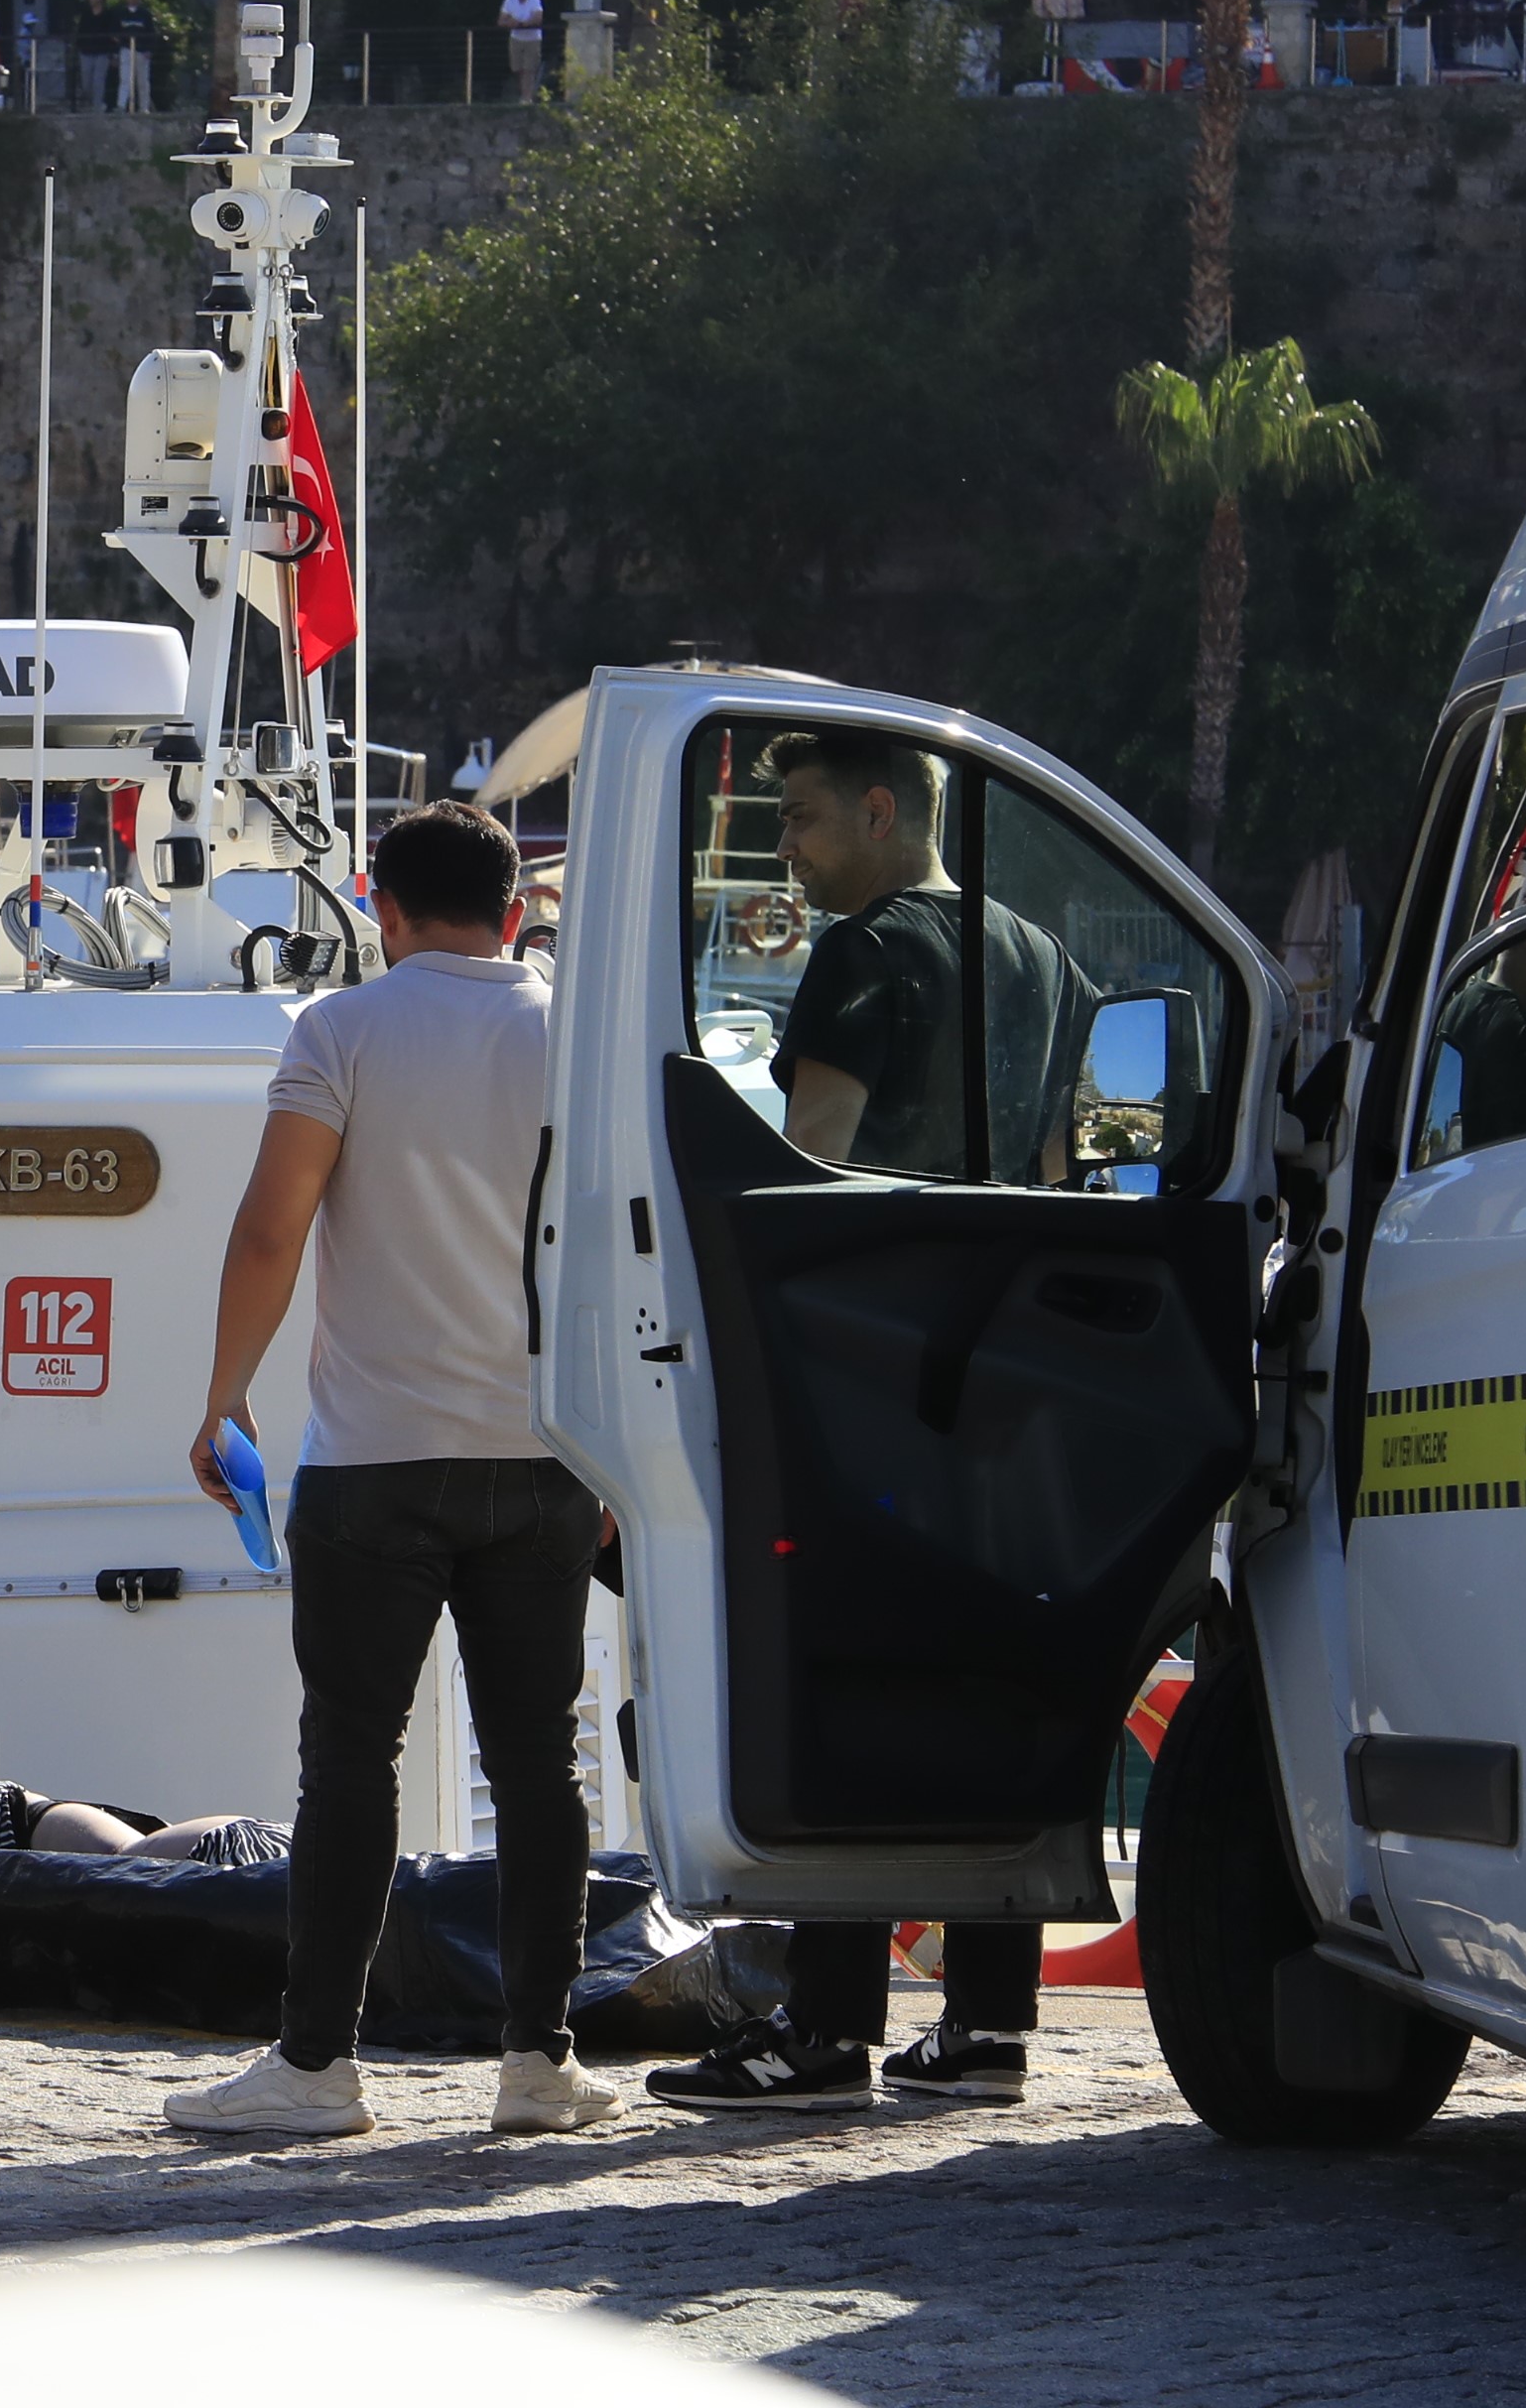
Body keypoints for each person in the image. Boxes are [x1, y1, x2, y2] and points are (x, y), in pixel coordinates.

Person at [160, 802, 620, 2141]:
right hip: (543, 1456)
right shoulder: (575, 1038)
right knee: (541, 1764)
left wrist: (222, 1397)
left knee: (349, 1762)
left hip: (371, 1462)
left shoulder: (340, 1030)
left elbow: (269, 1229)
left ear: (381, 903)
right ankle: (540, 2062)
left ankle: (317, 2069)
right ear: (515, 911)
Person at [646, 726, 1080, 2114]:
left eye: (809, 818)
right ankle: (986, 2030)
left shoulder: (866, 953)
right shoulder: (1041, 959)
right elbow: (1063, 1174)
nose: (790, 848)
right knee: (994, 1676)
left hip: (868, 1369)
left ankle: (825, 2028)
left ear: (886, 811)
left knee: (838, 1683)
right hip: (1008, 1373)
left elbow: (808, 1172)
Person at [499, 0, 549, 100]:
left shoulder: (535, 0)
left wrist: (525, 23)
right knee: (517, 68)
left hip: (532, 39)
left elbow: (538, 17)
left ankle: (526, 97)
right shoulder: (509, 1)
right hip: (516, 38)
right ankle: (524, 93)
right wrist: (511, 23)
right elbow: (501, 21)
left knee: (529, 69)